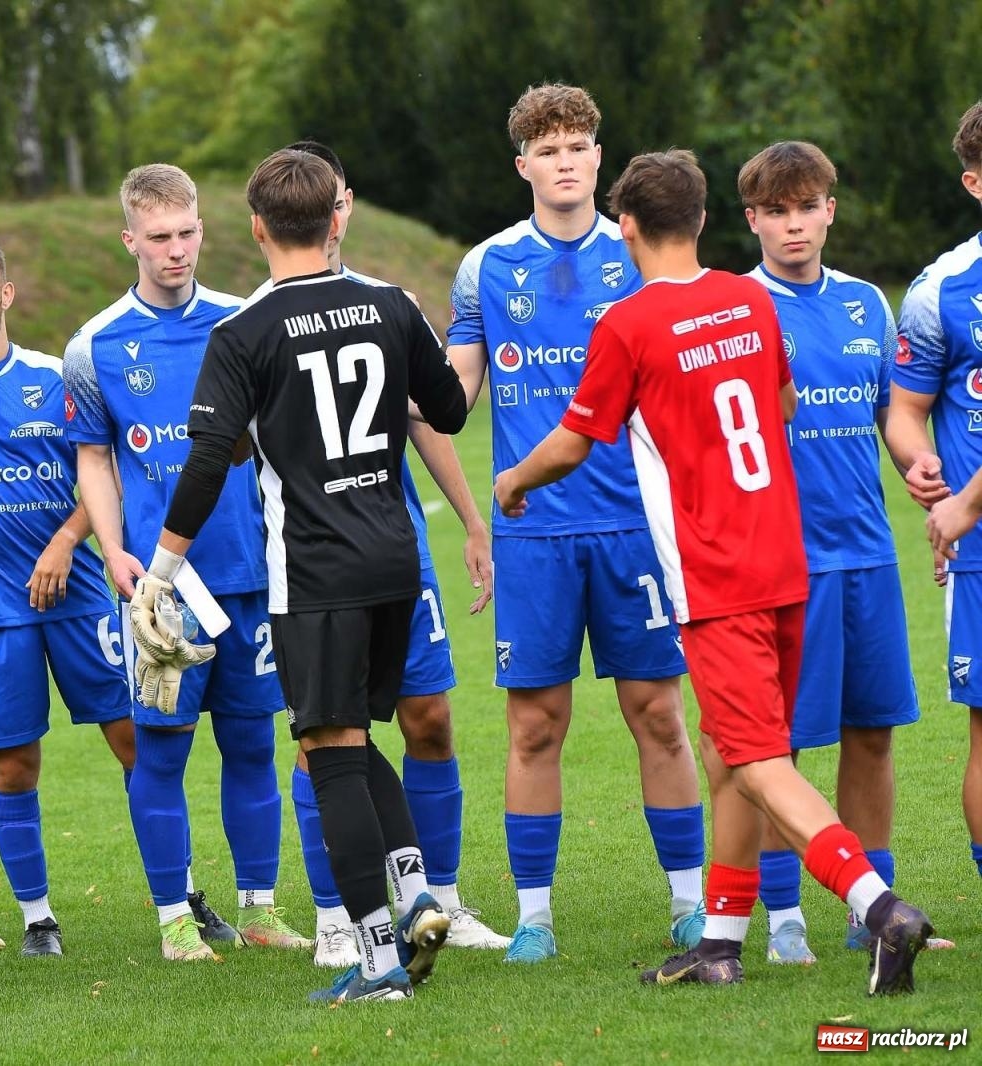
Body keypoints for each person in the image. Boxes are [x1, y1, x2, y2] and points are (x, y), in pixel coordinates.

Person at [495, 148, 934, 994]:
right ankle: (722, 946)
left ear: (626, 228)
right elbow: (780, 406)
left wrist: (513, 479)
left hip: (715, 577)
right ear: (703, 221)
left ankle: (882, 910)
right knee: (734, 752)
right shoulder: (749, 300)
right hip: (787, 559)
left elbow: (574, 441)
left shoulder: (626, 324)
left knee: (759, 758)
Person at [130, 147, 467, 1004]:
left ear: (253, 227)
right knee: (354, 736)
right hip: (397, 558)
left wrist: (160, 574)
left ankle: (380, 961)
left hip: (314, 572)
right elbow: (453, 410)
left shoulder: (242, 331)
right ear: (336, 217)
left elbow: (210, 460)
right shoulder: (391, 304)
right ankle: (418, 887)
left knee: (329, 752)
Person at [446, 84, 705, 964]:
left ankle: (687, 904)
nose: (564, 161)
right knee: (534, 724)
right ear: (523, 166)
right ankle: (535, 918)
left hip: (637, 528)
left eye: (578, 146)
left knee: (659, 714)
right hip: (534, 535)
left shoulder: (639, 257)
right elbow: (450, 397)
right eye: (546, 149)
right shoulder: (487, 266)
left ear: (600, 158)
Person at [64, 164, 309, 961]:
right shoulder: (95, 345)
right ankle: (174, 917)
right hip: (163, 592)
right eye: (160, 237)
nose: (176, 251)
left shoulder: (247, 322)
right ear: (129, 238)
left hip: (248, 573)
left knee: (251, 745)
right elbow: (95, 459)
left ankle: (262, 909)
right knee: (162, 748)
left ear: (206, 228)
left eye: (188, 233)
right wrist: (112, 549)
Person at [272, 141, 508, 963]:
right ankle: (339, 915)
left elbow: (427, 418)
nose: (329, 214)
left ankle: (436, 897)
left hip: (395, 547)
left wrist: (472, 522)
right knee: (325, 736)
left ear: (346, 204)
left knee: (430, 719)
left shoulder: (385, 303)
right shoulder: (266, 317)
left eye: (338, 197)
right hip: (314, 563)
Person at [738, 141, 950, 962]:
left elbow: (893, 417)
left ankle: (874, 915)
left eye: (808, 207)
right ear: (752, 219)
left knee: (873, 733)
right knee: (777, 747)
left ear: (831, 209)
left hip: (866, 555)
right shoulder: (734, 309)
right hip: (782, 564)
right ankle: (784, 917)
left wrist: (919, 475)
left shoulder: (868, 304)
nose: (795, 225)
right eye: (777, 211)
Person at [0, 229, 137, 957]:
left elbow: (103, 470)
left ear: (5, 293)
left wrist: (65, 537)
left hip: (81, 599)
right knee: (12, 765)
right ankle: (37, 917)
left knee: (137, 743)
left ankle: (177, 894)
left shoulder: (57, 377)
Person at [889, 100, 982, 902]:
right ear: (973, 182)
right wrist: (921, 466)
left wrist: (967, 502)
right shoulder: (941, 288)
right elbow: (908, 406)